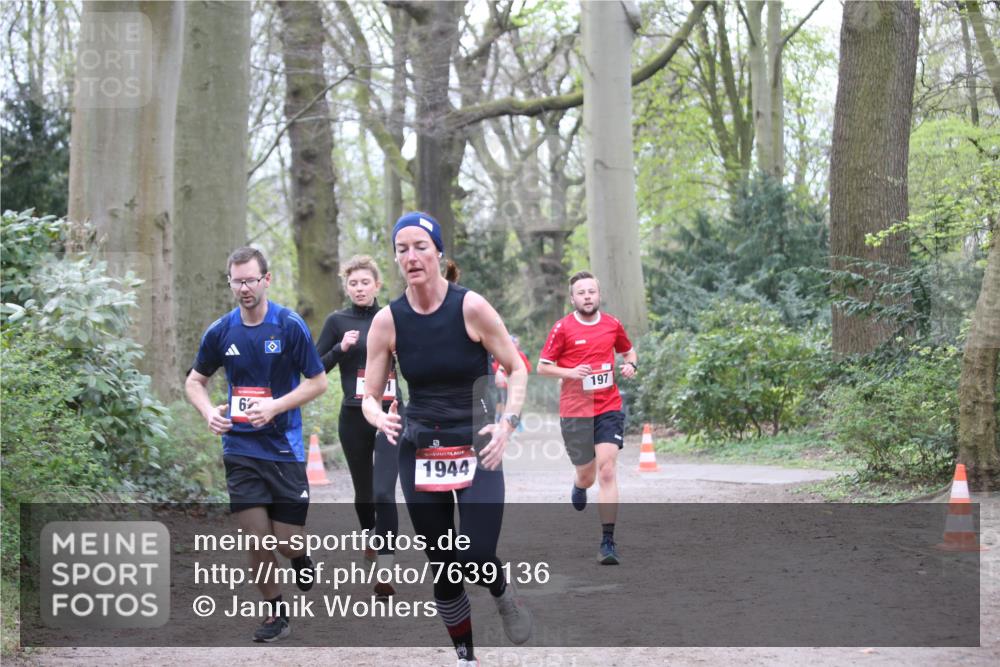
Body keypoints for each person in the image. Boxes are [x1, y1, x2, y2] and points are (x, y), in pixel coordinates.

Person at [362, 212, 533, 667]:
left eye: (421, 246)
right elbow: (369, 396)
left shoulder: (470, 307)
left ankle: (500, 592)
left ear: (438, 252)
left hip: (478, 444)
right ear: (395, 258)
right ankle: (465, 658)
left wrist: (507, 423)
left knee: (475, 555)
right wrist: (379, 416)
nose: (411, 256)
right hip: (419, 448)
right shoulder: (387, 320)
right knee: (443, 561)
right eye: (402, 249)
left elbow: (516, 368)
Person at [185, 246, 328, 642]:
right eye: (237, 280)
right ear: (229, 282)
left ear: (266, 280)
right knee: (255, 537)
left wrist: (275, 406)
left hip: (284, 448)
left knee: (285, 542)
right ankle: (276, 613)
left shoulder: (289, 325)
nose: (244, 287)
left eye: (250, 279)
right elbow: (195, 381)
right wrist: (207, 412)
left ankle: (299, 556)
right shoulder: (220, 331)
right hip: (241, 449)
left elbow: (318, 382)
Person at [315, 255, 402, 599]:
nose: (359, 288)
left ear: (377, 285)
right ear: (346, 287)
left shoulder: (394, 317)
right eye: (353, 283)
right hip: (353, 416)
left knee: (384, 491)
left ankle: (386, 566)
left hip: (391, 412)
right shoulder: (337, 321)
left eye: (365, 282)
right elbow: (315, 367)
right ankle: (370, 535)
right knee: (365, 492)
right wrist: (341, 348)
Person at [537, 271, 637, 565]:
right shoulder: (562, 328)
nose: (587, 296)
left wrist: (631, 366)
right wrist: (570, 372)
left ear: (599, 294)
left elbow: (629, 353)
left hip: (608, 405)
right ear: (573, 298)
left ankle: (608, 541)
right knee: (588, 474)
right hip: (575, 410)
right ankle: (580, 485)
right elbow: (543, 367)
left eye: (591, 291)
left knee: (607, 471)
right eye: (581, 292)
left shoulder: (612, 324)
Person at [492, 335, 532, 424]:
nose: (514, 344)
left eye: (516, 342)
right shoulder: (502, 353)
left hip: (517, 385)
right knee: (504, 403)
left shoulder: (520, 355)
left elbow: (528, 369)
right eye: (513, 342)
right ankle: (502, 421)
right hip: (505, 385)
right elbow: (496, 367)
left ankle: (516, 422)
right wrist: (502, 375)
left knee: (516, 404)